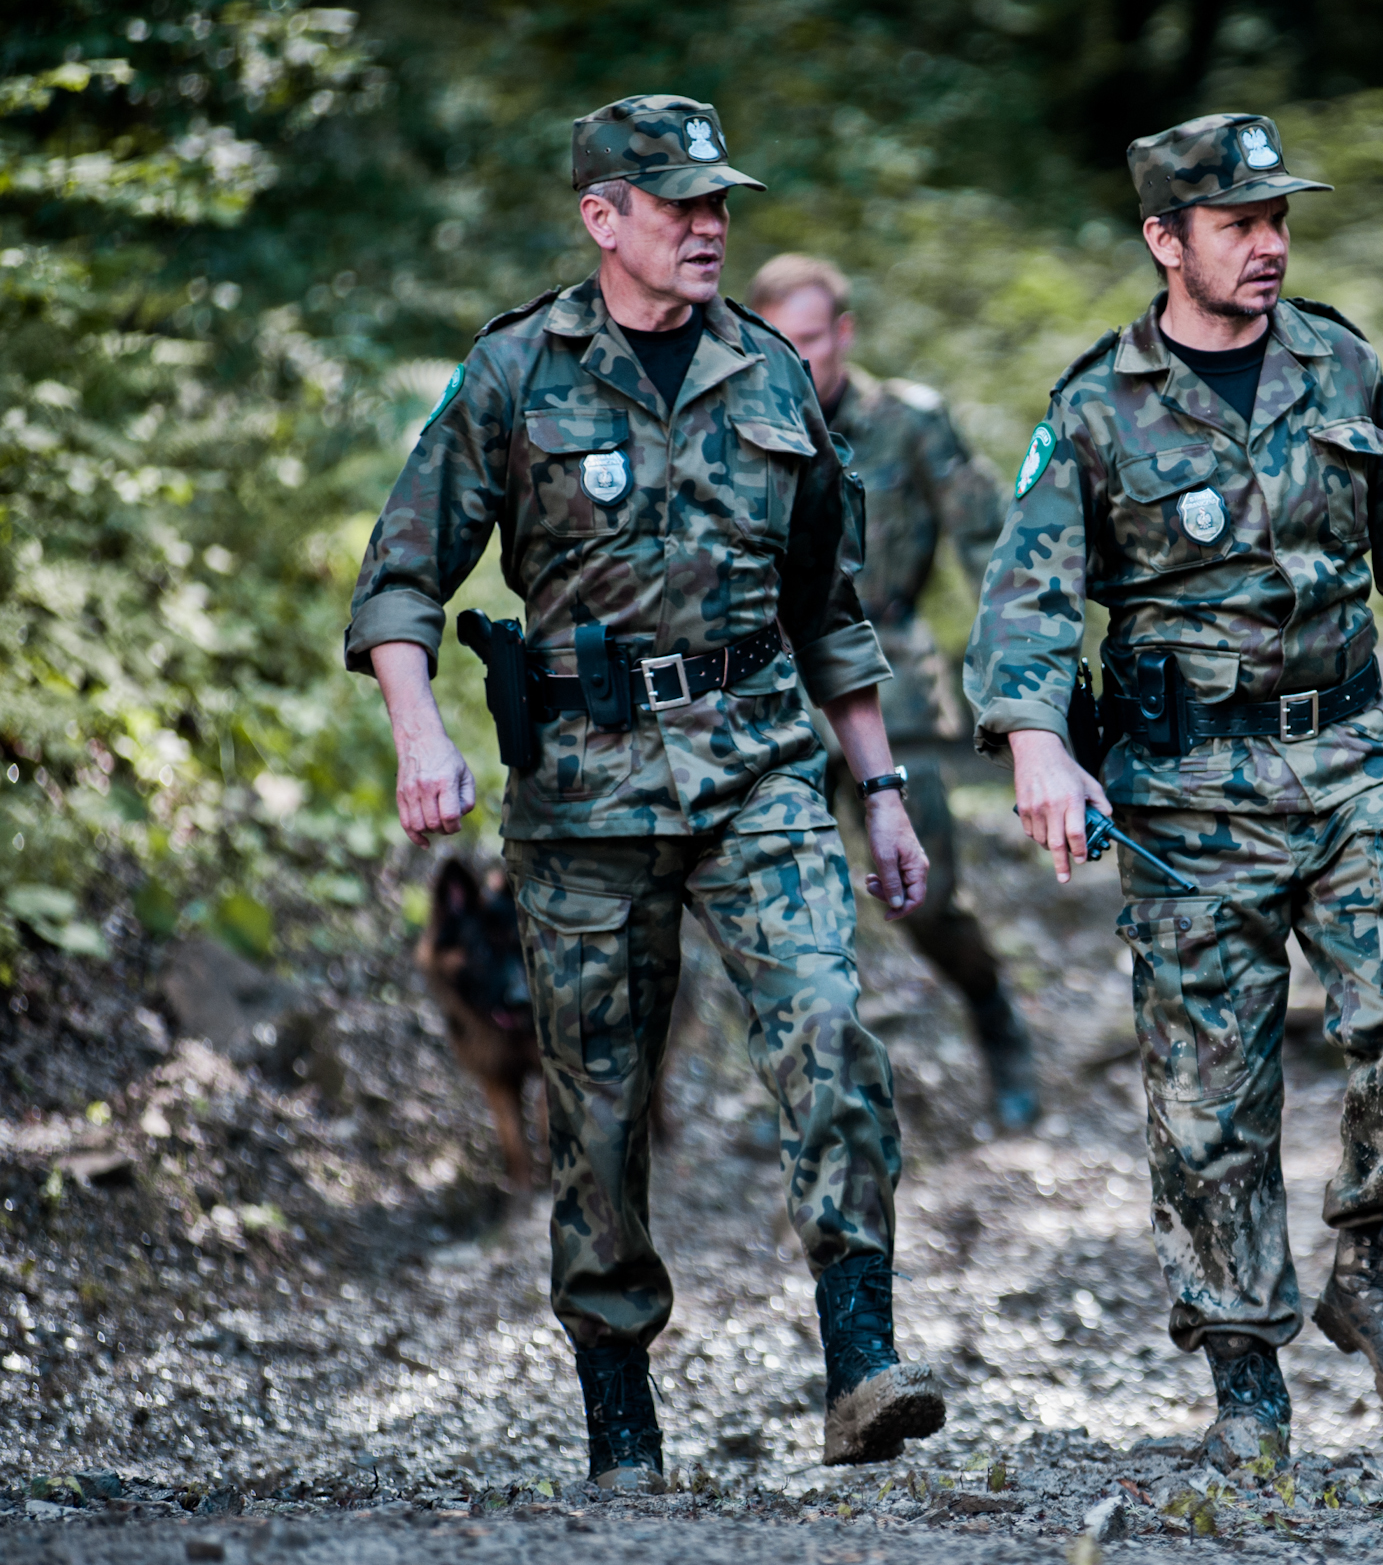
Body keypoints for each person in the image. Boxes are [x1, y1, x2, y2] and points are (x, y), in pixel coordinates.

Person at [344, 95, 950, 1485]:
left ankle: (862, 1355)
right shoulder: (512, 374)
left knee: (831, 1032)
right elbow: (399, 573)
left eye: (720, 201)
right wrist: (418, 731)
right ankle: (620, 1412)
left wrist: (887, 791)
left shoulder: (773, 374)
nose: (709, 224)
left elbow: (830, 609)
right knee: (600, 1111)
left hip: (762, 773)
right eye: (676, 203)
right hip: (586, 801)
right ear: (601, 215)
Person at [964, 112, 1383, 1471]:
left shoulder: (1341, 364)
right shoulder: (1098, 403)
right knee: (1210, 1099)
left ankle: (1380, 1263)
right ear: (1166, 241)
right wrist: (1038, 739)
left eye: (1279, 221)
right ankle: (1243, 1378)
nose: (1269, 245)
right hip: (1183, 785)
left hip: (1344, 754)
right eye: (1238, 224)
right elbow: (1027, 603)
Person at [747, 252, 1041, 1132]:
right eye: (778, 344)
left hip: (891, 672)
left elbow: (992, 544)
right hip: (775, 679)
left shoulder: (908, 422)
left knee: (926, 892)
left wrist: (1020, 679)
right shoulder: (744, 423)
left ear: (843, 333)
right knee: (772, 893)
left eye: (809, 340)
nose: (797, 362)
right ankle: (803, 1080)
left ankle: (996, 1021)